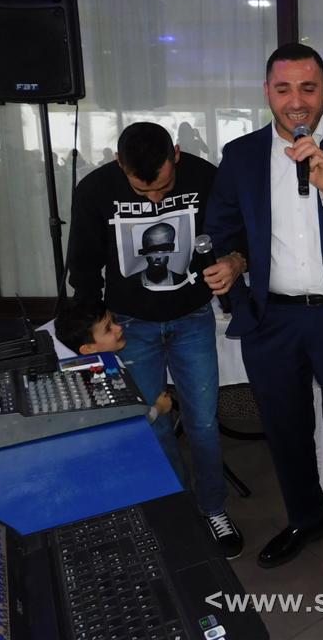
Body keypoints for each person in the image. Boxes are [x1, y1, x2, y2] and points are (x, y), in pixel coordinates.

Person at [205, 43, 323, 591]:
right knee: (285, 430)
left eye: (308, 88)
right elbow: (224, 229)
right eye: (284, 88)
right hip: (274, 320)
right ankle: (306, 519)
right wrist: (233, 262)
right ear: (267, 91)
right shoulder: (241, 155)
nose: (296, 102)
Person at [67, 121, 248, 559]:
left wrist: (235, 261)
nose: (154, 200)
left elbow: (240, 232)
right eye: (142, 190)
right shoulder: (94, 190)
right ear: (119, 163)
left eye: (164, 187)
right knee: (152, 423)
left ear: (177, 155)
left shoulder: (205, 176)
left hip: (192, 316)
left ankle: (212, 508)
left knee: (203, 422)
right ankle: (174, 509)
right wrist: (92, 329)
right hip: (130, 325)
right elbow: (84, 266)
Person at [53, 298, 173, 424]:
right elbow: (129, 422)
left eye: (114, 321)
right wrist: (159, 408)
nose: (119, 327)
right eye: (108, 329)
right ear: (88, 348)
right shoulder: (103, 378)